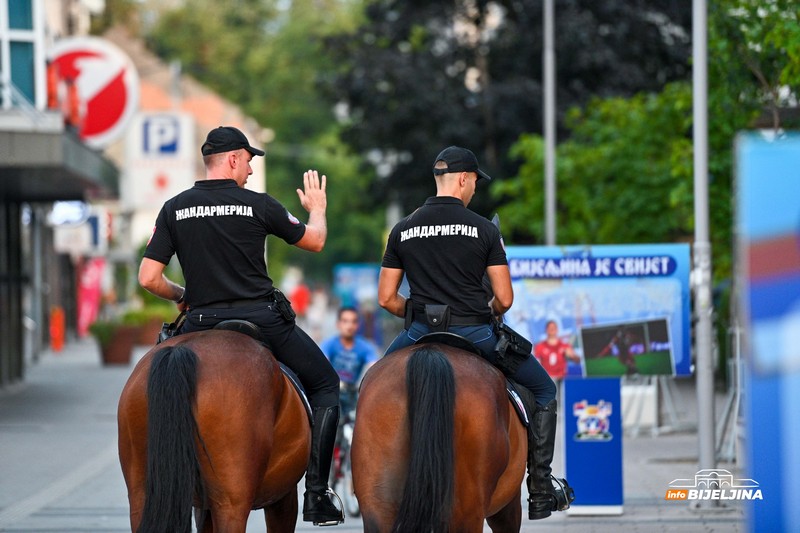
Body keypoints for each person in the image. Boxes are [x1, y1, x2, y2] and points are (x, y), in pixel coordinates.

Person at [137, 126, 343, 526]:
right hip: (261, 318)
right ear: (232, 158)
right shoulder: (258, 205)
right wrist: (317, 208)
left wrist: (182, 293)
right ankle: (317, 493)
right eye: (248, 160)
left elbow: (148, 278)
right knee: (325, 384)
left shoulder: (174, 208)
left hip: (198, 320)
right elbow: (315, 242)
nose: (250, 170)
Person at [377, 145, 571, 520]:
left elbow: (386, 298)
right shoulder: (483, 229)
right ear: (464, 179)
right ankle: (542, 489)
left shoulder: (402, 229)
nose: (474, 191)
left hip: (419, 332)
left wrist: (418, 311)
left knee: (377, 386)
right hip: (476, 333)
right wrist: (487, 312)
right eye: (475, 184)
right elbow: (505, 297)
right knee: (545, 389)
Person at [320, 306, 380, 388]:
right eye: (345, 321)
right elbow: (322, 365)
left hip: (352, 392)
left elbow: (374, 367)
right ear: (338, 324)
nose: (350, 326)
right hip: (331, 389)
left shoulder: (365, 347)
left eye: (354, 322)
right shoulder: (329, 344)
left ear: (358, 325)